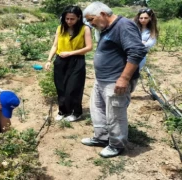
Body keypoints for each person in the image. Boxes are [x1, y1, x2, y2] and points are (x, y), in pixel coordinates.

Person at [81, 2, 147, 158]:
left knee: (115, 114)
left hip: (115, 80)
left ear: (103, 14)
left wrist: (124, 78)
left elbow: (137, 52)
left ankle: (117, 145)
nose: (91, 24)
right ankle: (102, 137)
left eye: (91, 20)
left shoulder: (124, 26)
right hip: (102, 79)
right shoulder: (106, 28)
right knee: (97, 109)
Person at [45, 5, 93, 122]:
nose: (69, 21)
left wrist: (71, 53)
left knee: (73, 88)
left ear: (78, 17)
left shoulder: (85, 29)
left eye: (72, 19)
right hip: (61, 61)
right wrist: (49, 60)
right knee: (60, 87)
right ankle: (63, 111)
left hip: (77, 61)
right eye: (67, 19)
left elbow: (89, 47)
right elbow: (55, 45)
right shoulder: (60, 28)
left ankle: (76, 112)